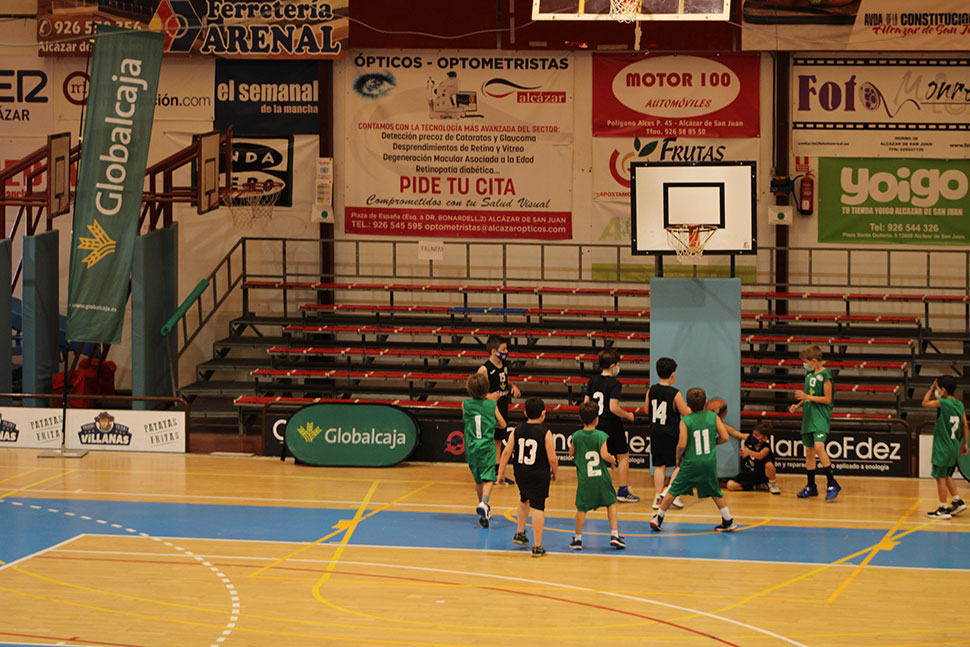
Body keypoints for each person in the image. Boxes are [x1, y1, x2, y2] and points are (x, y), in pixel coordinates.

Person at [650, 387, 737, 532]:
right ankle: (728, 520)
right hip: (708, 462)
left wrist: (678, 458)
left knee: (673, 489)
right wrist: (713, 442)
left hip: (691, 462)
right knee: (715, 491)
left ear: (688, 405)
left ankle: (658, 517)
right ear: (705, 402)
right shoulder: (713, 417)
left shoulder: (686, 420)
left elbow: (682, 444)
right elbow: (725, 437)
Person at [498, 396, 559, 557]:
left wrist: (501, 472)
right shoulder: (545, 432)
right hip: (539, 473)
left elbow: (506, 452)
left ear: (525, 412)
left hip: (521, 473)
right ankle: (537, 546)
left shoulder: (517, 429)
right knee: (538, 507)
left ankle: (520, 533)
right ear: (543, 413)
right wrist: (555, 471)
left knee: (524, 498)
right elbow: (552, 457)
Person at [569, 401, 626, 550]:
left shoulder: (576, 435)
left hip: (585, 479)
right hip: (601, 477)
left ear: (581, 418)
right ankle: (614, 534)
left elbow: (571, 452)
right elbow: (604, 454)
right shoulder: (601, 435)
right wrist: (612, 459)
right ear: (597, 419)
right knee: (611, 503)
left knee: (581, 509)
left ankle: (578, 539)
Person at [584, 348, 638, 502]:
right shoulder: (615, 383)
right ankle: (622, 490)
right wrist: (628, 415)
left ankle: (594, 490)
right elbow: (613, 407)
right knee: (623, 456)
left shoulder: (593, 380)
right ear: (613, 366)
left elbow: (586, 404)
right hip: (611, 424)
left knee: (597, 456)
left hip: (595, 422)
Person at [789, 345, 841, 501]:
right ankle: (811, 485)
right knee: (809, 452)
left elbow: (827, 399)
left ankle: (832, 483)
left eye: (805, 362)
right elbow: (808, 394)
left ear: (813, 360)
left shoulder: (825, 375)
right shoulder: (809, 374)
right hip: (808, 416)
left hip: (820, 416)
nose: (804, 365)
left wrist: (807, 397)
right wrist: (797, 405)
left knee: (819, 447)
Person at [462, 372, 506, 528]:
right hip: (486, 446)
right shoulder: (491, 405)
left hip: (471, 446)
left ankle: (484, 512)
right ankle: (484, 503)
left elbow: (470, 419)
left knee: (479, 479)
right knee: (489, 478)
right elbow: (503, 424)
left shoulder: (465, 404)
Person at [645, 357, 691, 509]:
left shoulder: (651, 390)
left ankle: (658, 497)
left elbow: (647, 410)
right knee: (680, 464)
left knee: (659, 465)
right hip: (671, 433)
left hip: (656, 432)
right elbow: (685, 413)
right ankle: (671, 493)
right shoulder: (675, 393)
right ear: (672, 374)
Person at [922, 376, 969, 519]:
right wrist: (965, 444)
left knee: (939, 477)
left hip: (943, 446)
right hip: (955, 445)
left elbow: (924, 403)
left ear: (943, 390)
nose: (936, 391)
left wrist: (930, 389)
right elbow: (965, 425)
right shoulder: (959, 404)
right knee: (947, 474)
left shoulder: (943, 403)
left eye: (937, 389)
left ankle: (942, 508)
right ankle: (957, 500)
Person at [478, 334, 521, 484]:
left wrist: (512, 386)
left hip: (502, 406)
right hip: (489, 409)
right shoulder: (484, 369)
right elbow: (477, 390)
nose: (506, 351)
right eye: (503, 349)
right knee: (489, 440)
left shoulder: (504, 365)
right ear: (493, 351)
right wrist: (488, 396)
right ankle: (486, 470)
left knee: (498, 440)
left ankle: (497, 472)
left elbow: (505, 380)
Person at [725, 420, 781, 494]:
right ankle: (756, 487)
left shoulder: (766, 447)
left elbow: (760, 455)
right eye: (753, 434)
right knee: (730, 485)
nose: (753, 436)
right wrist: (720, 423)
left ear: (764, 438)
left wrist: (748, 452)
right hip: (749, 474)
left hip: (762, 475)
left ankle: (772, 484)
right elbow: (734, 432)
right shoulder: (749, 438)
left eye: (756, 436)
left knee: (769, 465)